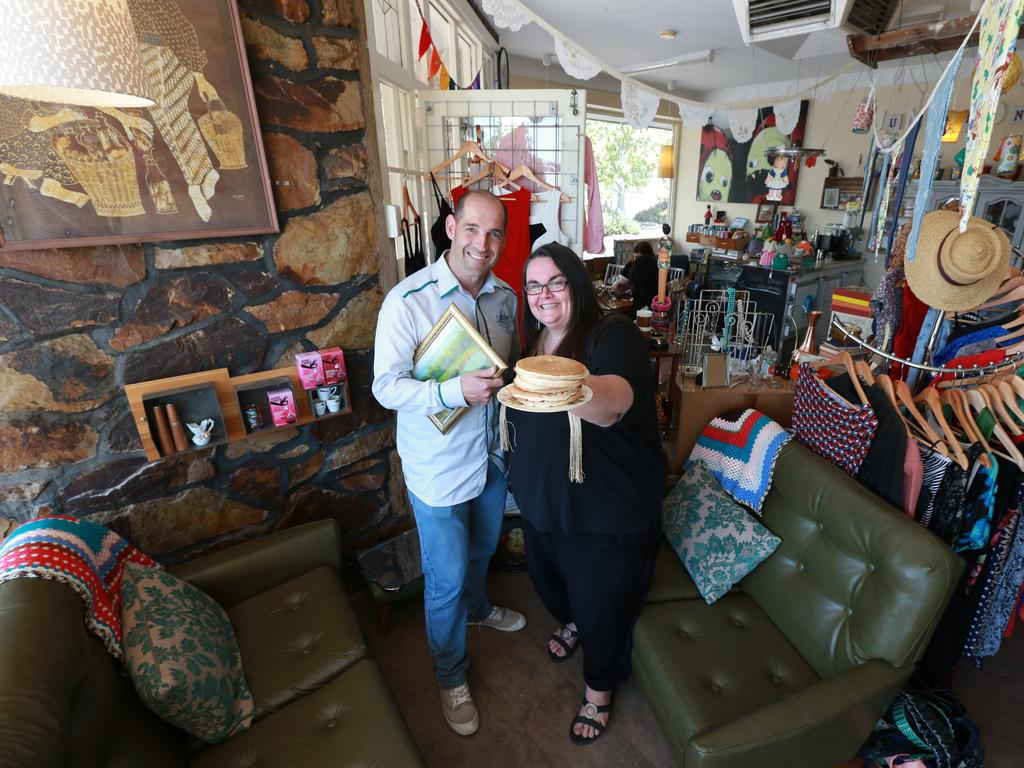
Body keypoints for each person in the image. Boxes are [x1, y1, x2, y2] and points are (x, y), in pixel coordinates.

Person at [372, 190, 527, 737]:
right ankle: (450, 674)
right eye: (472, 229)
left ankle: (480, 608)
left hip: (492, 456)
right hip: (437, 469)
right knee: (444, 579)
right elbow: (386, 388)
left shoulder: (506, 297)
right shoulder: (407, 301)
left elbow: (505, 371)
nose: (482, 244)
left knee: (484, 548)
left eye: (494, 234)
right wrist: (452, 392)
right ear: (449, 227)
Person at [505, 243, 667, 745]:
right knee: (550, 581)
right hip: (544, 498)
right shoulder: (534, 341)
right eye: (534, 285)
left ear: (576, 284)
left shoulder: (609, 334)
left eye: (555, 282)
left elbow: (617, 399)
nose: (544, 294)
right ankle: (571, 621)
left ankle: (599, 690)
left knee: (602, 601)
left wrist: (569, 391)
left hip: (605, 506)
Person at [612, 241, 658, 312]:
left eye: (638, 257)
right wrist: (622, 285)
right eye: (635, 257)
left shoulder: (653, 266)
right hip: (641, 300)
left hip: (649, 303)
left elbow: (644, 285)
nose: (636, 260)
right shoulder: (634, 263)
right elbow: (631, 282)